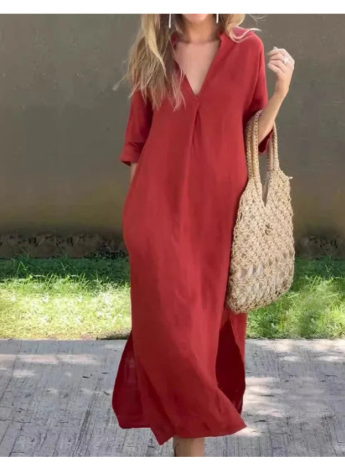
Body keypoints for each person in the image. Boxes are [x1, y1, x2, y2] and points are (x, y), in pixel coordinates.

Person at [112, 13, 295, 457]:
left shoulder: (248, 49)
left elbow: (252, 136)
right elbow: (137, 144)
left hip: (220, 225)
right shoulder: (153, 53)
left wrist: (280, 93)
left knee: (199, 346)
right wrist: (137, 224)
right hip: (159, 222)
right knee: (178, 345)